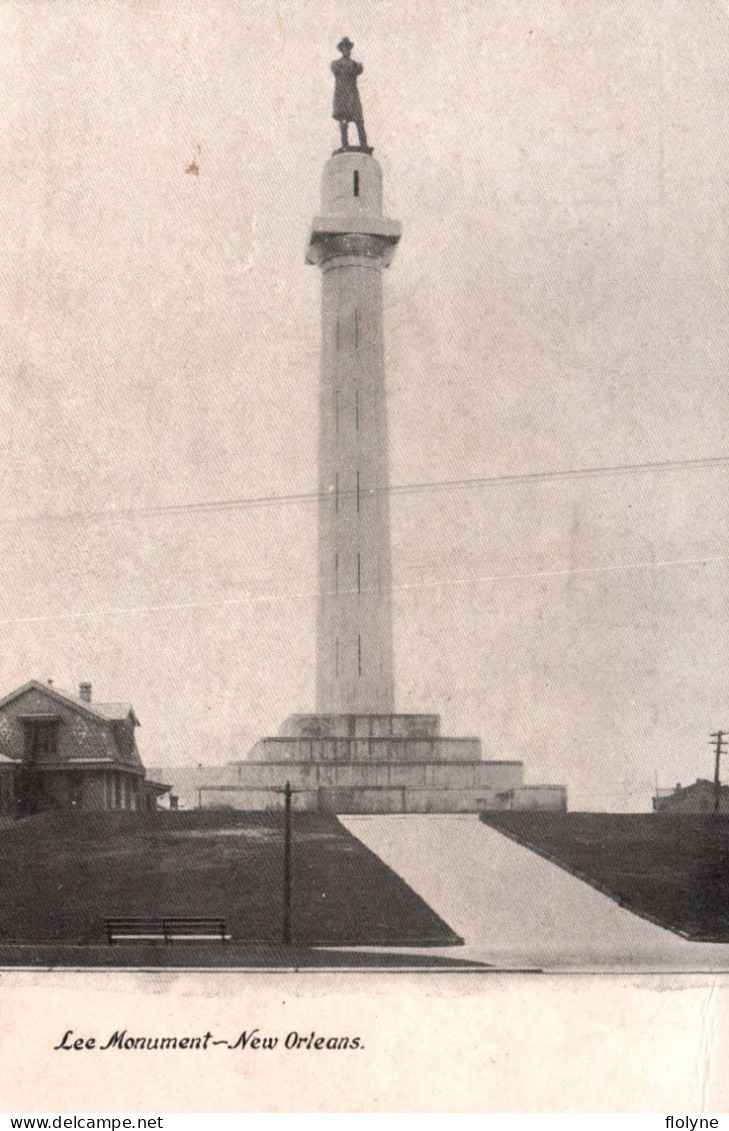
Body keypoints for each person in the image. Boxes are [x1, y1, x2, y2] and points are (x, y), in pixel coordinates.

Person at [331, 37, 370, 151]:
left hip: (352, 96)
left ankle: (363, 145)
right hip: (342, 96)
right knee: (343, 122)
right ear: (342, 50)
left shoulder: (354, 64)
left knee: (359, 121)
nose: (347, 50)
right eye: (345, 48)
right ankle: (345, 145)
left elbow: (359, 70)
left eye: (348, 48)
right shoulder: (337, 64)